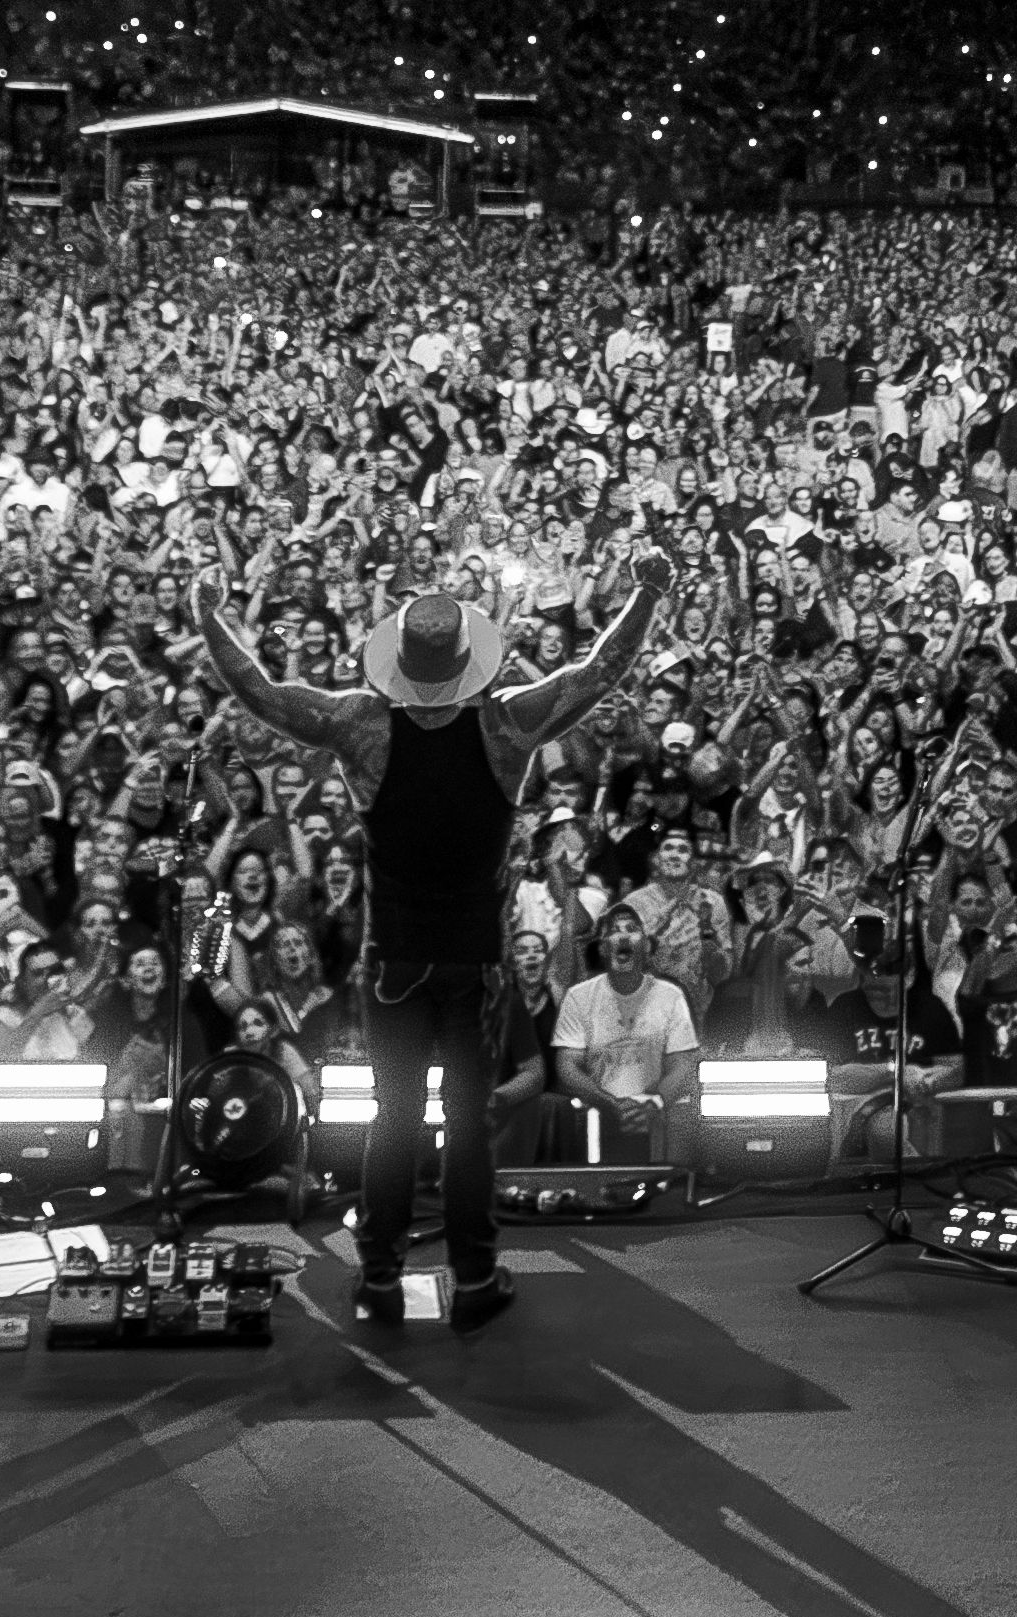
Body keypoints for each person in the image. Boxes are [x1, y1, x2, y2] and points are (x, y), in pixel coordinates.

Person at [195, 543, 669, 1333]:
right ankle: (475, 1277)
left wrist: (208, 618)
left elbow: (262, 690)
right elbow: (597, 673)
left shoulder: (361, 724)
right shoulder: (506, 723)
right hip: (476, 961)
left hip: (395, 962)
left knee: (393, 1119)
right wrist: (647, 595)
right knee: (470, 1120)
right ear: (466, 657)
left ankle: (379, 1277)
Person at [545, 916, 698, 1164]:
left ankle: (670, 1185)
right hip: (598, 1107)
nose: (624, 935)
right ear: (603, 948)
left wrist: (654, 1104)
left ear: (647, 946)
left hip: (657, 1108)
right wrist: (610, 1103)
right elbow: (567, 1066)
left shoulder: (671, 994)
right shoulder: (578, 996)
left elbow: (683, 1063)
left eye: (632, 929)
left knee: (683, 1110)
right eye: (615, 931)